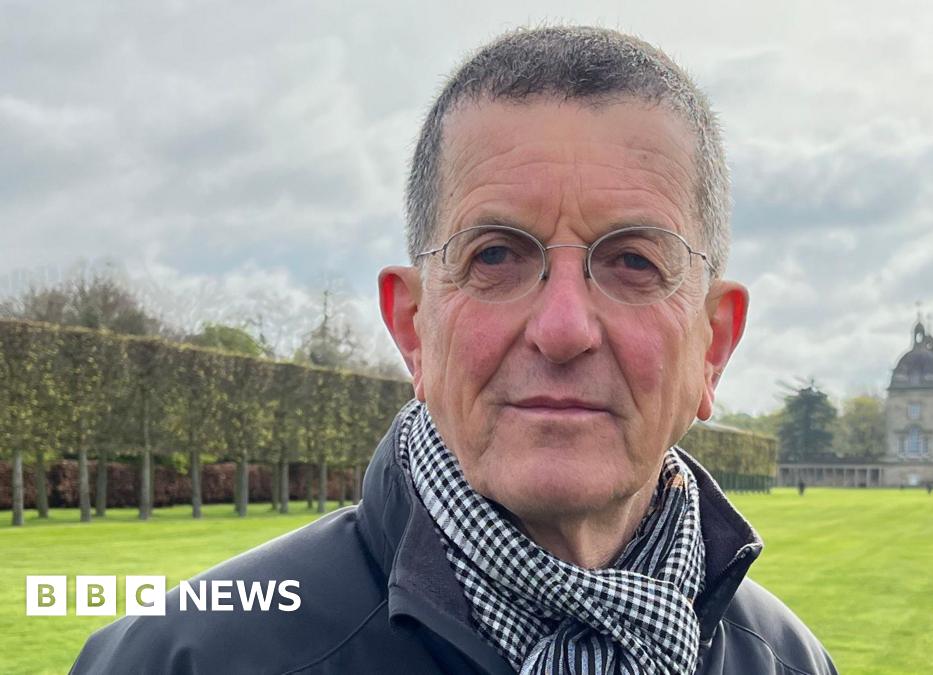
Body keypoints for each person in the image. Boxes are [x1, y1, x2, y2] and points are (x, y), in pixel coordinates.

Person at [72, 26, 836, 675]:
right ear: (413, 328)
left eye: (634, 261)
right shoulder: (185, 658)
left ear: (714, 344)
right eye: (496, 256)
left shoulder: (790, 659)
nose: (564, 327)